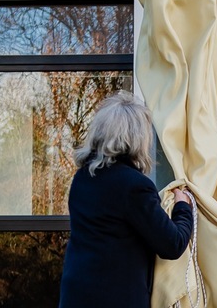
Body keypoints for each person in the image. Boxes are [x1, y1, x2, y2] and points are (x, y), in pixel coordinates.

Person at [59, 92, 193, 308]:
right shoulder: (134, 186)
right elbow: (172, 244)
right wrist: (182, 205)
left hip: (76, 296)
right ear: (137, 138)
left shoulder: (82, 179)